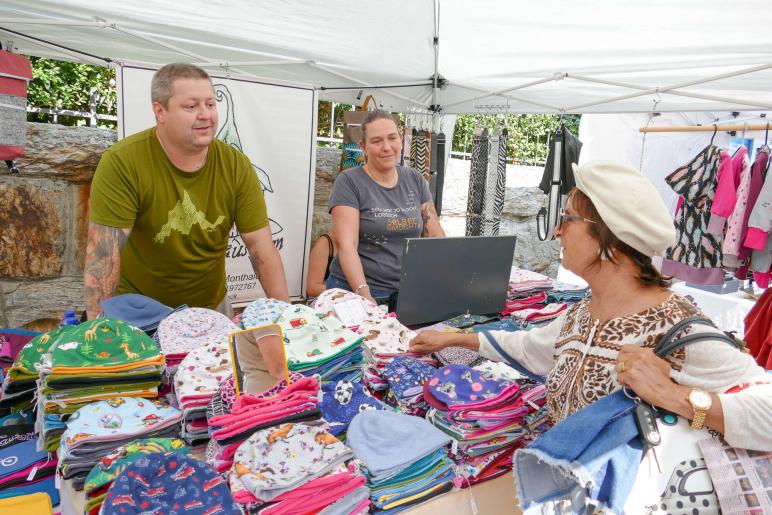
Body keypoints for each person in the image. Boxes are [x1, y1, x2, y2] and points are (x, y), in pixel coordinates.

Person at [410, 161, 772, 451]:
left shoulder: (679, 326)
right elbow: (530, 345)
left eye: (568, 219)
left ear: (609, 237)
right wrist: (456, 339)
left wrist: (676, 397)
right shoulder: (584, 313)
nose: (557, 231)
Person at [84, 63, 289, 319]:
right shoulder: (123, 161)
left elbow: (261, 248)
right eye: (191, 107)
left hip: (210, 309)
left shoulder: (236, 165)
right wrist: (98, 332)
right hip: (138, 314)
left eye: (210, 104)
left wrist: (288, 319)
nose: (205, 115)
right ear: (160, 111)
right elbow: (104, 257)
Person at [327, 110, 445, 305]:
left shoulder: (415, 179)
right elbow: (347, 245)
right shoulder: (348, 182)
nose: (387, 147)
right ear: (363, 146)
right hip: (354, 291)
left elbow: (435, 234)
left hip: (405, 291)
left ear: (400, 140)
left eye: (392, 138)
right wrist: (364, 294)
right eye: (376, 141)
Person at [306, 233, 337, 298]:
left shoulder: (361, 247)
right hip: (326, 299)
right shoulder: (326, 243)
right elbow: (312, 288)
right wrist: (346, 292)